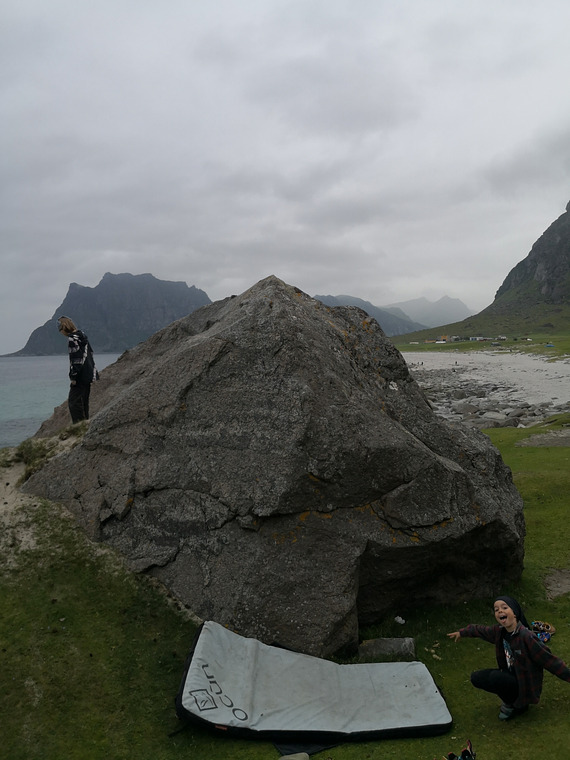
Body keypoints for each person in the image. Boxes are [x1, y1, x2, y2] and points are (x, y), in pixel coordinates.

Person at [447, 595, 570, 721]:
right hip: (509, 676)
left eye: (504, 607)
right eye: (496, 609)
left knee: (496, 677)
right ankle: (510, 701)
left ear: (515, 613)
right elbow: (480, 630)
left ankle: (520, 705)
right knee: (476, 678)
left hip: (524, 685)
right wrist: (462, 632)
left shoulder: (526, 636)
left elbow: (550, 661)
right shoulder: (499, 632)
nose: (500, 611)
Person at [57, 315, 99, 423]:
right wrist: (93, 372)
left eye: (60, 329)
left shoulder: (72, 339)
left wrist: (73, 377)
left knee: (74, 402)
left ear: (64, 327)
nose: (61, 332)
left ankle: (78, 426)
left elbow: (76, 360)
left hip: (80, 376)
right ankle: (85, 425)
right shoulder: (82, 336)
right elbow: (91, 353)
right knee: (84, 401)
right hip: (89, 373)